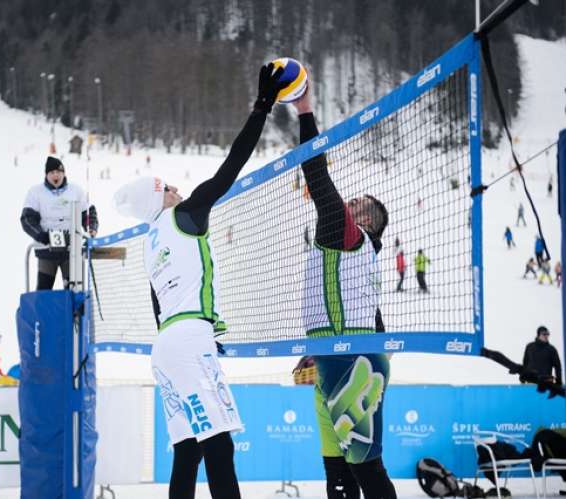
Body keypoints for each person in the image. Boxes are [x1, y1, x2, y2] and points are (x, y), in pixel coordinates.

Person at [112, 62, 288, 499]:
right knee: (220, 444)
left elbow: (157, 307)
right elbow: (232, 166)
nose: (176, 188)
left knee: (188, 450)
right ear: (161, 197)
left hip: (167, 346)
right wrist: (262, 106)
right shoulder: (184, 214)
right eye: (168, 186)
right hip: (189, 340)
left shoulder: (151, 242)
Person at [292, 83, 396, 499]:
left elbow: (316, 175)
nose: (348, 202)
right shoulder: (352, 249)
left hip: (351, 362)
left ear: (367, 220)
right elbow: (371, 317)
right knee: (337, 471)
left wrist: (304, 111)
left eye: (358, 203)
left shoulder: (350, 236)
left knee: (366, 470)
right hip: (337, 354)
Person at [20, 156, 99, 290]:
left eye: (58, 172)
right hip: (47, 250)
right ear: (47, 175)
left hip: (71, 250)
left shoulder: (75, 191)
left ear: (64, 173)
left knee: (73, 290)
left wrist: (90, 229)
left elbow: (88, 214)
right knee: (44, 289)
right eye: (52, 173)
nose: (55, 175)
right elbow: (27, 219)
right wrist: (41, 235)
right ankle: (43, 310)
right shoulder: (36, 192)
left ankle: (75, 311)